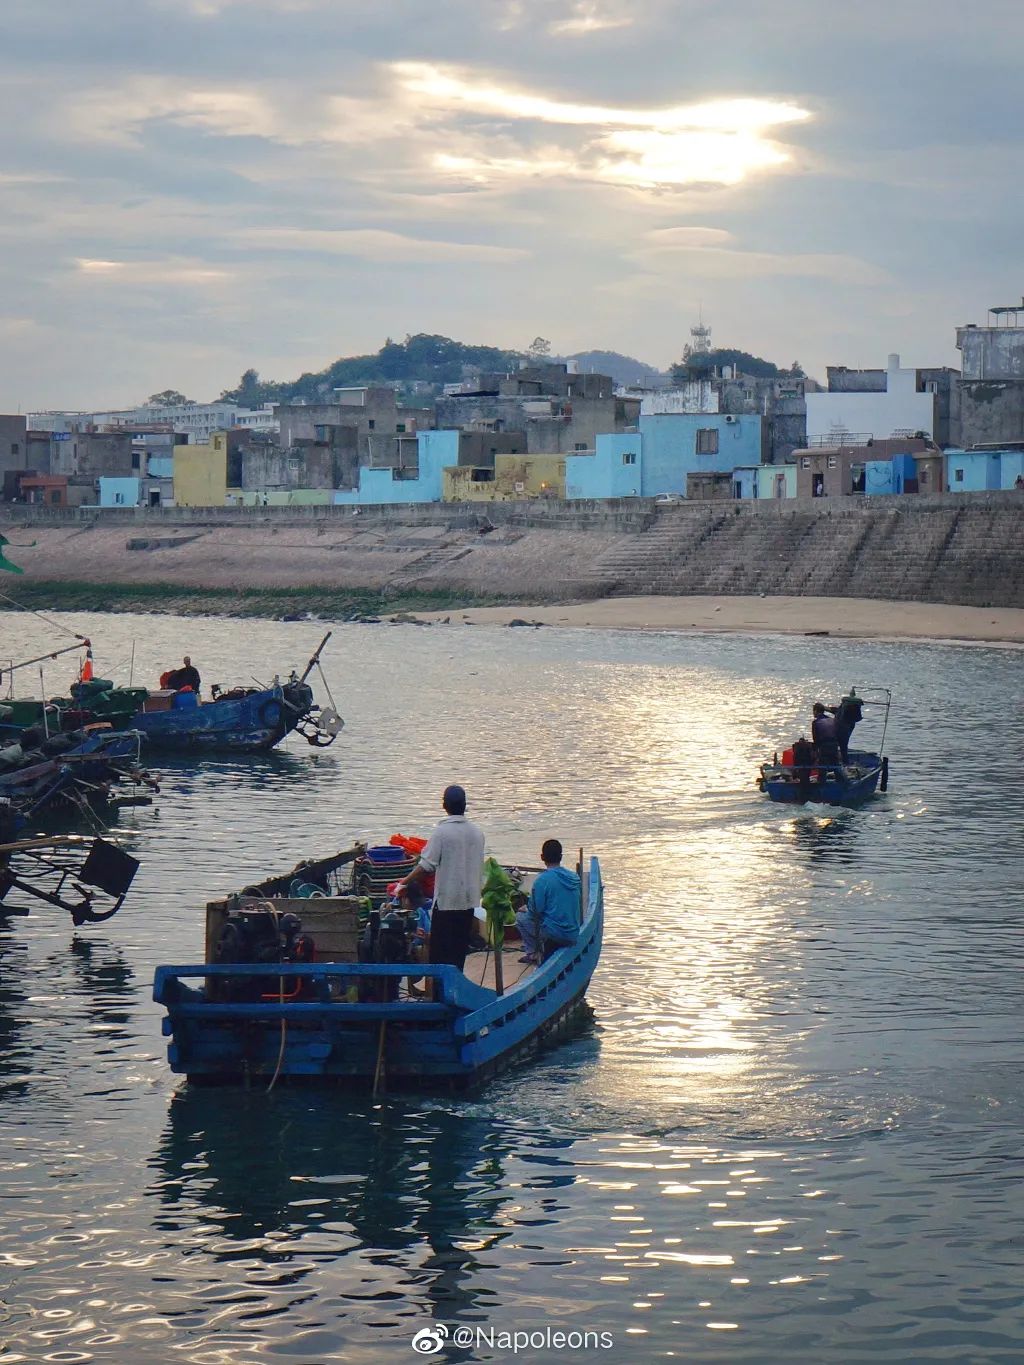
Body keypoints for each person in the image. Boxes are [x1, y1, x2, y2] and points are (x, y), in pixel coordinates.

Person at [399, 785, 485, 974]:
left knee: (440, 956)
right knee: (458, 953)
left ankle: (441, 995)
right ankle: (457, 991)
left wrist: (403, 883)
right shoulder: (478, 834)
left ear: (444, 805)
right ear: (465, 805)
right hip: (468, 904)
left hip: (446, 904)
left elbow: (425, 867)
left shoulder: (442, 833)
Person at [515, 839, 580, 966]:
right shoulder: (574, 877)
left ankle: (533, 953)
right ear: (561, 857)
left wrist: (526, 908)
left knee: (520, 917)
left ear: (542, 857)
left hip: (554, 935)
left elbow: (535, 911)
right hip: (573, 932)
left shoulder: (542, 880)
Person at [826, 689, 864, 763]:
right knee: (843, 748)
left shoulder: (847, 711)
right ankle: (843, 762)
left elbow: (837, 711)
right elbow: (836, 711)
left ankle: (840, 763)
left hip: (841, 730)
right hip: (843, 730)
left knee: (841, 747)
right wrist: (824, 708)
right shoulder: (850, 712)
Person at [811, 702, 842, 771]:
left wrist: (815, 753)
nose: (813, 713)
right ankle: (841, 779)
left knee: (822, 768)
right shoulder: (832, 720)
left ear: (816, 711)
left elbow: (816, 739)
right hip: (834, 745)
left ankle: (822, 780)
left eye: (813, 711)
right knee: (835, 766)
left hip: (824, 747)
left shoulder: (816, 722)